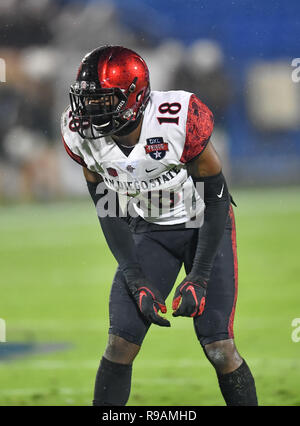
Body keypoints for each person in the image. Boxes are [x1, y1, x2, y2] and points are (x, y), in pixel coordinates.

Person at [61, 45, 258, 406]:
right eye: (87, 100)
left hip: (202, 223)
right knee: (120, 344)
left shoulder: (177, 118)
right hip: (149, 228)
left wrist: (198, 277)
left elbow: (216, 198)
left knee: (219, 347)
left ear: (133, 97)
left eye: (103, 101)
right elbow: (107, 209)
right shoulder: (82, 138)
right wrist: (136, 280)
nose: (90, 110)